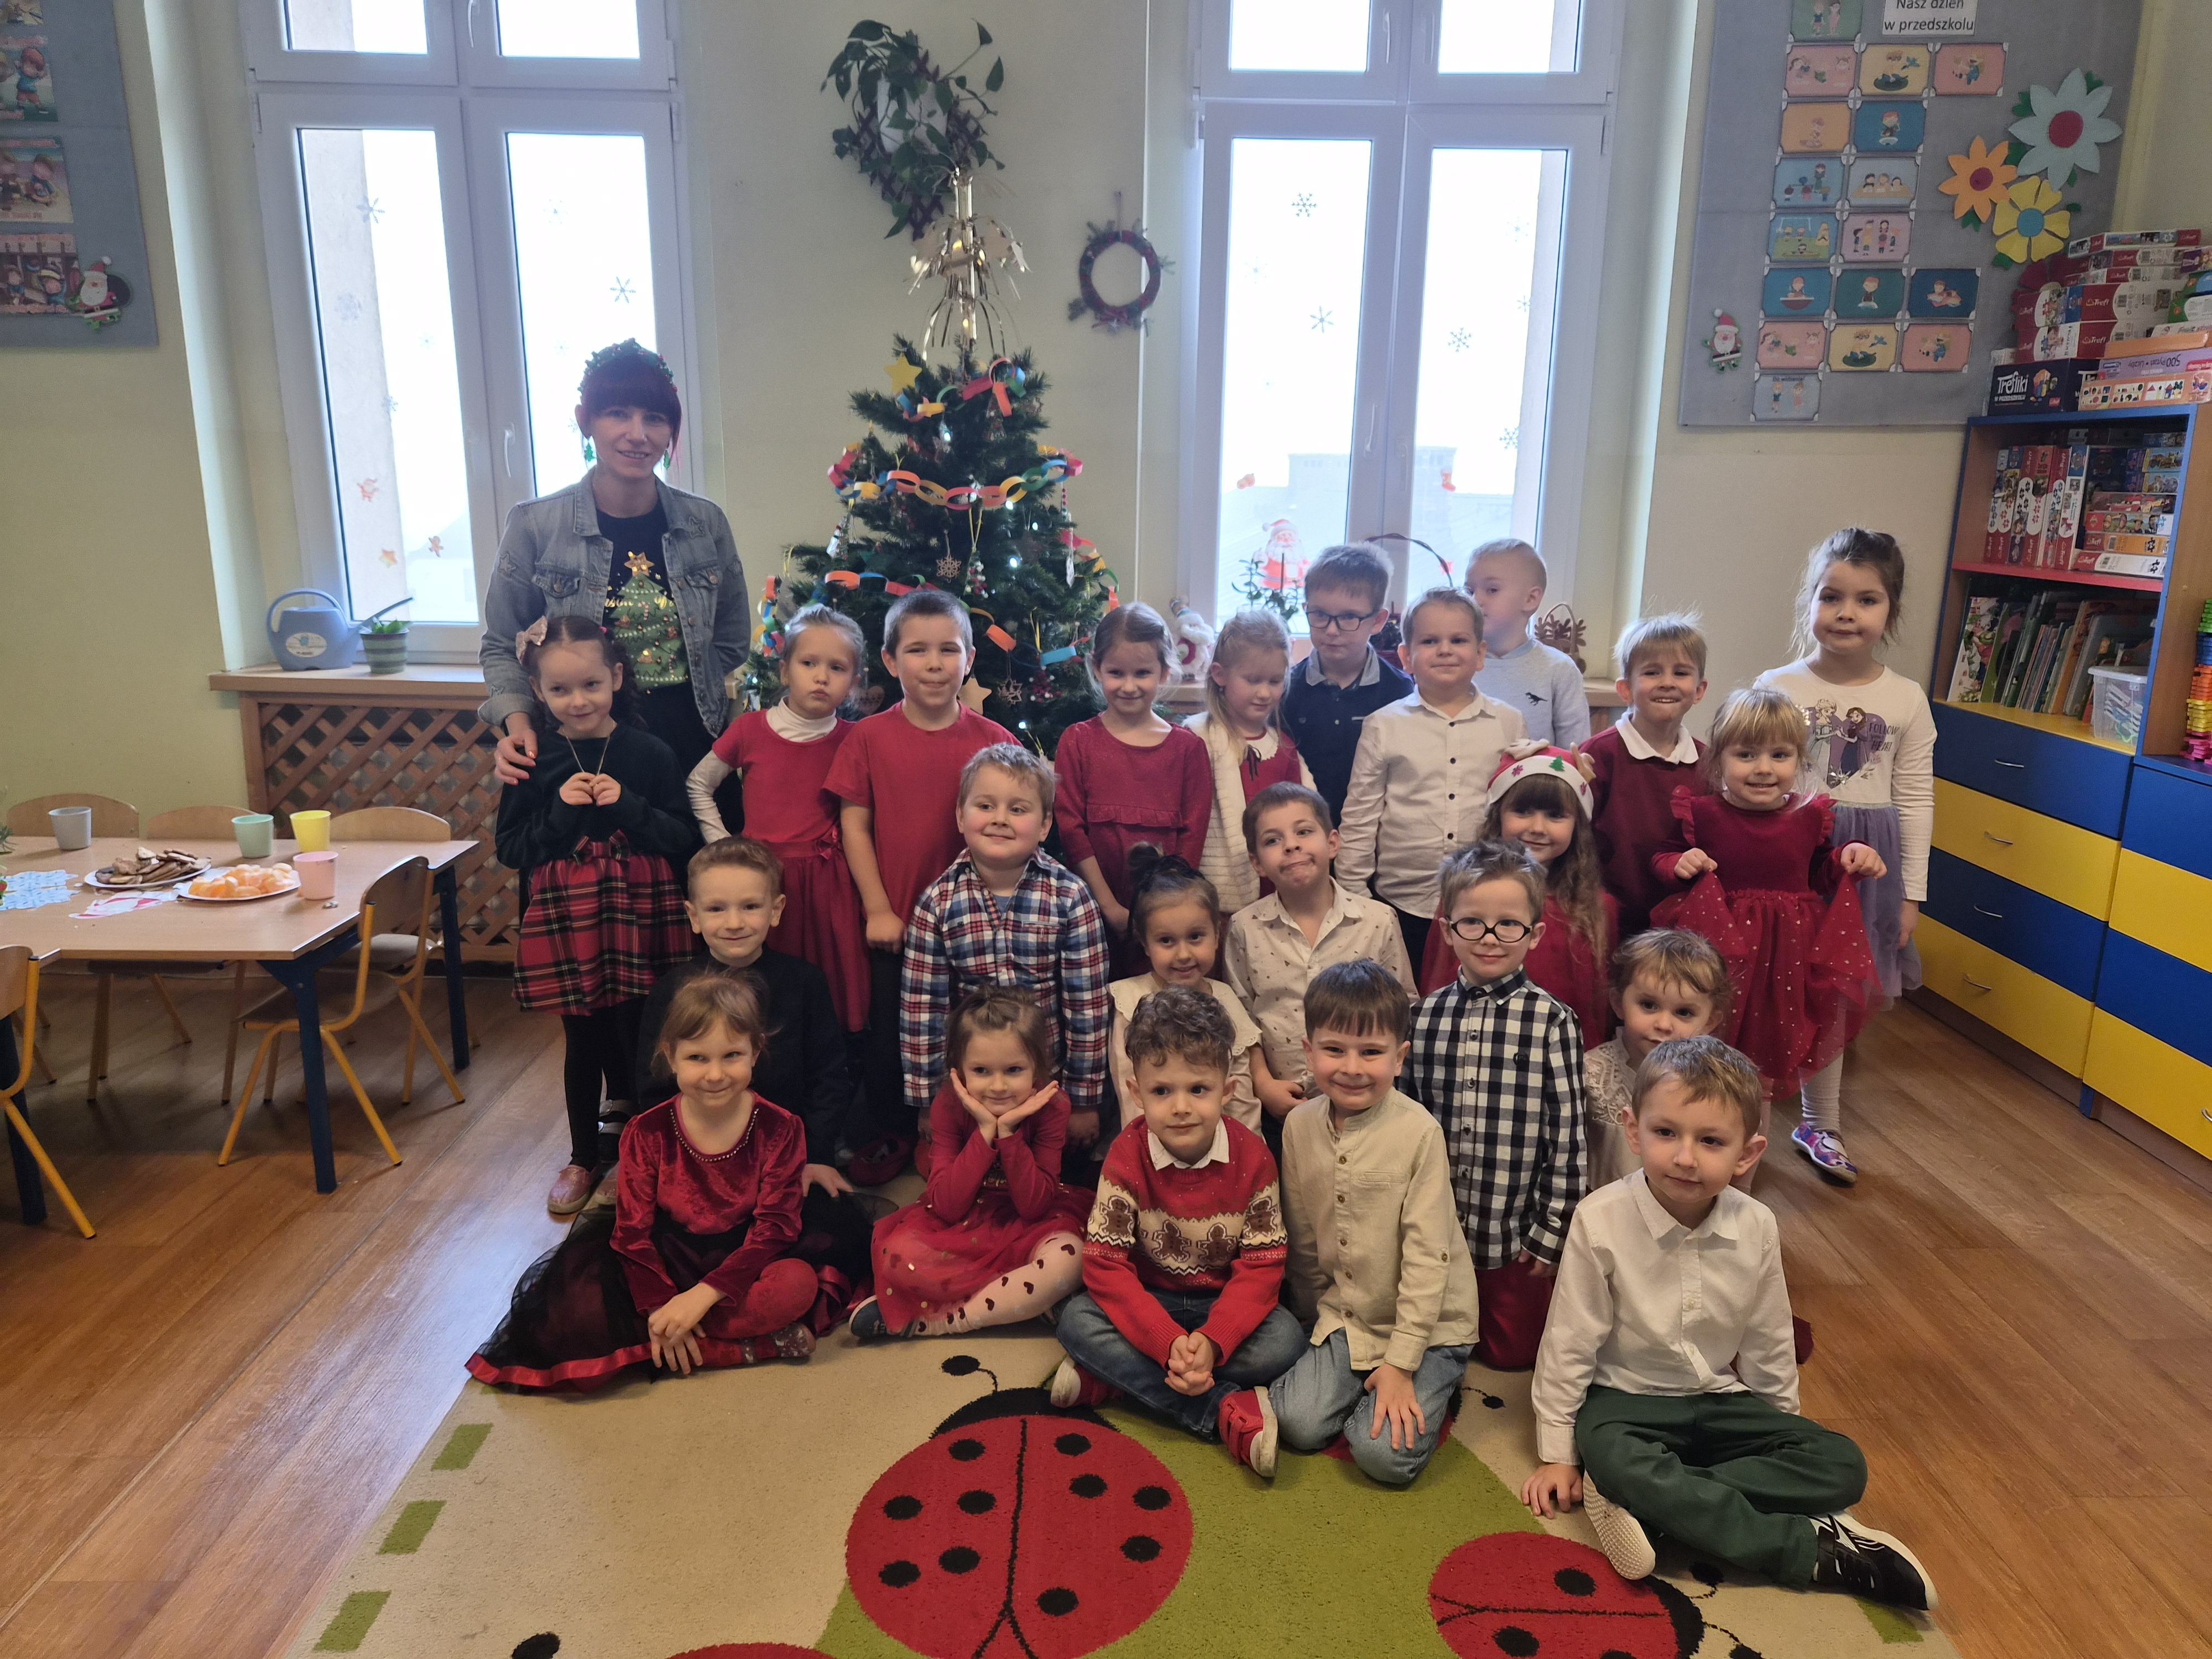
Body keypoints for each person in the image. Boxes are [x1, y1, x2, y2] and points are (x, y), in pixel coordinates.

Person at [1522, 1036, 1936, 1613]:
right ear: (1633, 1131)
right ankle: (1807, 1549)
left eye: (1710, 1141)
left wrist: (1779, 1425)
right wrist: (1558, 1453)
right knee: (1613, 1457)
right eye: (1666, 1133)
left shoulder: (1757, 1225)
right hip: (1625, 1404)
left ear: (1747, 1153)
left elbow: (1769, 1336)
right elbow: (1569, 1341)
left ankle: (1658, 1508)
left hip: (1719, 1400)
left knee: (1843, 1466)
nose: (1685, 1157)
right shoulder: (1600, 1220)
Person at [466, 974, 819, 1389]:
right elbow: (632, 1233)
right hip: (663, 1258)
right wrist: (660, 1308)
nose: (715, 1074)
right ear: (671, 1056)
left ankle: (677, 1341)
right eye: (697, 1058)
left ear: (755, 1052)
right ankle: (738, 1347)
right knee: (580, 1311)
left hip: (745, 1259)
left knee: (797, 1285)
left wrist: (700, 1297)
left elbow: (775, 1228)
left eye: (732, 1056)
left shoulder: (781, 1128)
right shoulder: (646, 1131)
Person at [479, 341, 749, 834]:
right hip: (578, 750)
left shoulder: (705, 524)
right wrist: (519, 725)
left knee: (701, 879)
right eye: (618, 414)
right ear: (586, 421)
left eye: (655, 419)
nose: (637, 434)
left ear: (671, 430)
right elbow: (502, 643)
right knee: (591, 878)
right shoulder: (536, 525)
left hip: (690, 747)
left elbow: (730, 641)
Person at [1050, 985, 1305, 1475]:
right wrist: (1167, 1342)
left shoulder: (1254, 1158)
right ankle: (1215, 1407)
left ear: (1228, 1091)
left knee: (1286, 1341)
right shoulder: (1126, 1155)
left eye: (1199, 1090)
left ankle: (1116, 1379)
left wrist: (1210, 1343)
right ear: (1136, 1092)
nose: (1181, 1107)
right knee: (1076, 1320)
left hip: (1221, 1300)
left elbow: (1262, 1268)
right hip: (1151, 1300)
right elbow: (1105, 1267)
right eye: (1162, 1091)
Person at [494, 617, 700, 1216]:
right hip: (570, 922)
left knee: (643, 1035)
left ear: (616, 677)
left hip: (643, 917)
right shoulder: (533, 760)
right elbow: (512, 849)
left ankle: (641, 1155)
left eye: (590, 685)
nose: (578, 701)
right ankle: (583, 1156)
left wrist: (630, 806)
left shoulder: (650, 753)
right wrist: (559, 812)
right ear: (538, 692)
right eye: (560, 690)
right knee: (582, 1039)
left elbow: (682, 838)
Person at [1755, 529, 1934, 1185]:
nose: (1846, 613)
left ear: (1891, 611)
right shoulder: (1776, 686)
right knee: (1773, 982)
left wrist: (1911, 894)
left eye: (1866, 600)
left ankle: (1819, 1122)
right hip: (1790, 854)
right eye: (1830, 597)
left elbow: (1914, 798)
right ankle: (1745, 1108)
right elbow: (1746, 776)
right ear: (1809, 601)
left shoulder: (1905, 698)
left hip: (1869, 870)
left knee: (1834, 991)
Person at [633, 839, 872, 1329]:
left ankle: (739, 1317)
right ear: (693, 915)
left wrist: (818, 1156)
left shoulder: (804, 983)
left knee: (840, 1232)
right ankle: (708, 1314)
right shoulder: (671, 991)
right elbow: (652, 1088)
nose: (734, 922)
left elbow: (829, 1076)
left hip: (786, 1163)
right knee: (654, 1251)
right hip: (699, 1168)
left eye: (750, 906)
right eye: (717, 909)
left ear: (776, 910)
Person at [1650, 689, 1885, 1181]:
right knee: (1725, 1039)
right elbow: (1663, 857)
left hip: (1792, 953)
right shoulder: (1703, 814)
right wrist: (1679, 862)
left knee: (1811, 1029)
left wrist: (1850, 856)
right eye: (1746, 755)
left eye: (1779, 755)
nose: (1763, 768)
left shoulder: (1810, 815)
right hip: (1724, 951)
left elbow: (1819, 872)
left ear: (1799, 760)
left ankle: (1812, 1129)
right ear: (1719, 760)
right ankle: (1719, 1135)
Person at [827, 587, 1016, 1182]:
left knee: (977, 1032)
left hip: (975, 927)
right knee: (894, 1037)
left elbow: (1019, 826)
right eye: (917, 651)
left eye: (948, 650)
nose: (934, 664)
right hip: (900, 927)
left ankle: (979, 1131)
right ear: (890, 661)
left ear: (969, 660)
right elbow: (854, 825)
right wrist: (878, 909)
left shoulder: (994, 740)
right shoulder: (867, 738)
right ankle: (898, 1131)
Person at [1271, 962, 1479, 1486]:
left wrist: (1402, 1365)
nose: (1352, 1068)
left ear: (1399, 1057)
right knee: (1296, 1423)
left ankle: (1438, 1378)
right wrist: (1309, 1325)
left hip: (1431, 1328)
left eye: (1371, 1052)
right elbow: (1303, 1240)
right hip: (1349, 1316)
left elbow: (1429, 1257)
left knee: (1382, 1456)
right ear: (1309, 1051)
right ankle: (1364, 1385)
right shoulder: (1298, 1127)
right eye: (1334, 1049)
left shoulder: (1420, 1133)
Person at [1402, 839, 1585, 1373]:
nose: (1489, 937)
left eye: (1508, 924)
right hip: (1434, 1229)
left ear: (1534, 935)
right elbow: (1405, 1119)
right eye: (1472, 923)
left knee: (1511, 1357)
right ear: (1447, 930)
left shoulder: (1553, 1021)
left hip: (1511, 1230)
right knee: (1435, 1343)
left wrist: (1552, 1229)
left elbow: (1568, 1136)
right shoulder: (1424, 1017)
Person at [901, 744, 1112, 1155]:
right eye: (985, 806)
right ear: (960, 816)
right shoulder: (938, 902)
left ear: (1045, 825)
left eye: (1018, 809)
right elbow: (923, 1011)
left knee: (1048, 1181)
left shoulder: (1071, 898)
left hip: (1047, 1085)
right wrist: (930, 1100)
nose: (1000, 818)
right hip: (972, 1087)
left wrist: (1084, 1100)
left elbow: (1087, 1008)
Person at [850, 986, 1092, 1341]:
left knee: (1072, 1257)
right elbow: (947, 1207)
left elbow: (1035, 1206)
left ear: (1037, 1068)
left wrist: (1009, 1134)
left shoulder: (1053, 1105)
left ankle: (943, 1321)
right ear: (959, 1072)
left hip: (1029, 1222)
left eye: (1014, 1070)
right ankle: (1024, 1302)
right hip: (963, 1222)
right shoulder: (948, 1104)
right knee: (897, 1255)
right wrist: (984, 1132)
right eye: (981, 1070)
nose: (998, 1086)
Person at [685, 604, 870, 1034]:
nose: (821, 677)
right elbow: (699, 784)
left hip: (829, 884)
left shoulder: (856, 739)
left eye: (837, 668)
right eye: (809, 664)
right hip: (763, 880)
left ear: (853, 682)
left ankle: (831, 1056)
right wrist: (723, 847)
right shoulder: (750, 730)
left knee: (828, 985)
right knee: (765, 987)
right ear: (785, 671)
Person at [1338, 585, 1527, 971]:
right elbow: (1360, 817)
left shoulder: (1508, 722)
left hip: (1483, 904)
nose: (1445, 650)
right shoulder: (1383, 726)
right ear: (1406, 657)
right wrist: (1355, 897)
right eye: (1429, 641)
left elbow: (1522, 808)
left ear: (1480, 655)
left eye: (1458, 640)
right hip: (1399, 902)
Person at [1223, 783, 1414, 1146]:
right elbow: (1241, 1019)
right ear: (1257, 862)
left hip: (1367, 1105)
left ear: (1332, 843)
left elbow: (1403, 1008)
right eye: (1273, 840)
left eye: (1304, 832)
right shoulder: (1244, 928)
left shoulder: (1378, 920)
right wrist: (1263, 1084)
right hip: (1282, 1110)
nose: (1291, 845)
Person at [1416, 747, 1616, 1051]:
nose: (1537, 828)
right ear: (1498, 815)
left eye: (1555, 815)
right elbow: (1438, 980)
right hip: (1469, 1048)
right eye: (1522, 811)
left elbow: (1597, 1007)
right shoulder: (1465, 895)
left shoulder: (1597, 908)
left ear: (1577, 825)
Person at [1052, 602, 1212, 961]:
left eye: (1142, 673)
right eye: (1116, 673)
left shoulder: (1188, 750)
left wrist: (1157, 914)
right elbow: (1072, 831)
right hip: (1092, 913)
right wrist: (1109, 907)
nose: (1128, 686)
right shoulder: (1078, 742)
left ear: (1164, 672)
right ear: (1097, 668)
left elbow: (1192, 838)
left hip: (1167, 922)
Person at [1107, 848, 1265, 1139]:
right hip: (1152, 1148)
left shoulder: (1224, 997)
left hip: (1220, 1147)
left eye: (1195, 937)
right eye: (1166, 940)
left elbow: (1242, 1094)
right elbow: (1131, 1096)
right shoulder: (1131, 1000)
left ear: (1217, 935)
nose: (1183, 954)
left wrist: (1249, 1151)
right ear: (1146, 945)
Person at [1582, 614, 1713, 941]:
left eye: (1680, 673)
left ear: (1699, 690)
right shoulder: (1600, 754)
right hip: (1607, 918)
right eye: (1652, 672)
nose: (1667, 682)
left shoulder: (1709, 763)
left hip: (1679, 923)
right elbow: (1577, 835)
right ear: (1625, 689)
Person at [1186, 609, 1315, 914]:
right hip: (1209, 897)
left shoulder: (1283, 749)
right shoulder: (1195, 739)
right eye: (1253, 680)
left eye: (1275, 681)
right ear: (1220, 675)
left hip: (1274, 896)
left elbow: (1305, 817)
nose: (1265, 693)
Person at [1280, 541, 1412, 827]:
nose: (1331, 630)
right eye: (1320, 614)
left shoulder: (1400, 691)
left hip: (1375, 834)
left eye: (1349, 617)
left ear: (1378, 621)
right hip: (1304, 831)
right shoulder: (1286, 689)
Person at [1583, 930, 1728, 1189]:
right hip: (1602, 1202)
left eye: (1683, 1012)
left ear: (1710, 1021)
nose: (1663, 1024)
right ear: (1618, 1003)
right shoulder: (1591, 1073)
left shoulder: (1717, 1081)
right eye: (1649, 1005)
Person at [1465, 538, 1590, 747]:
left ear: (1531, 599)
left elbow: (1575, 752)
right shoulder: (1457, 663)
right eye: (1469, 591)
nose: (1475, 600)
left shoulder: (1559, 669)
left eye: (1492, 590)